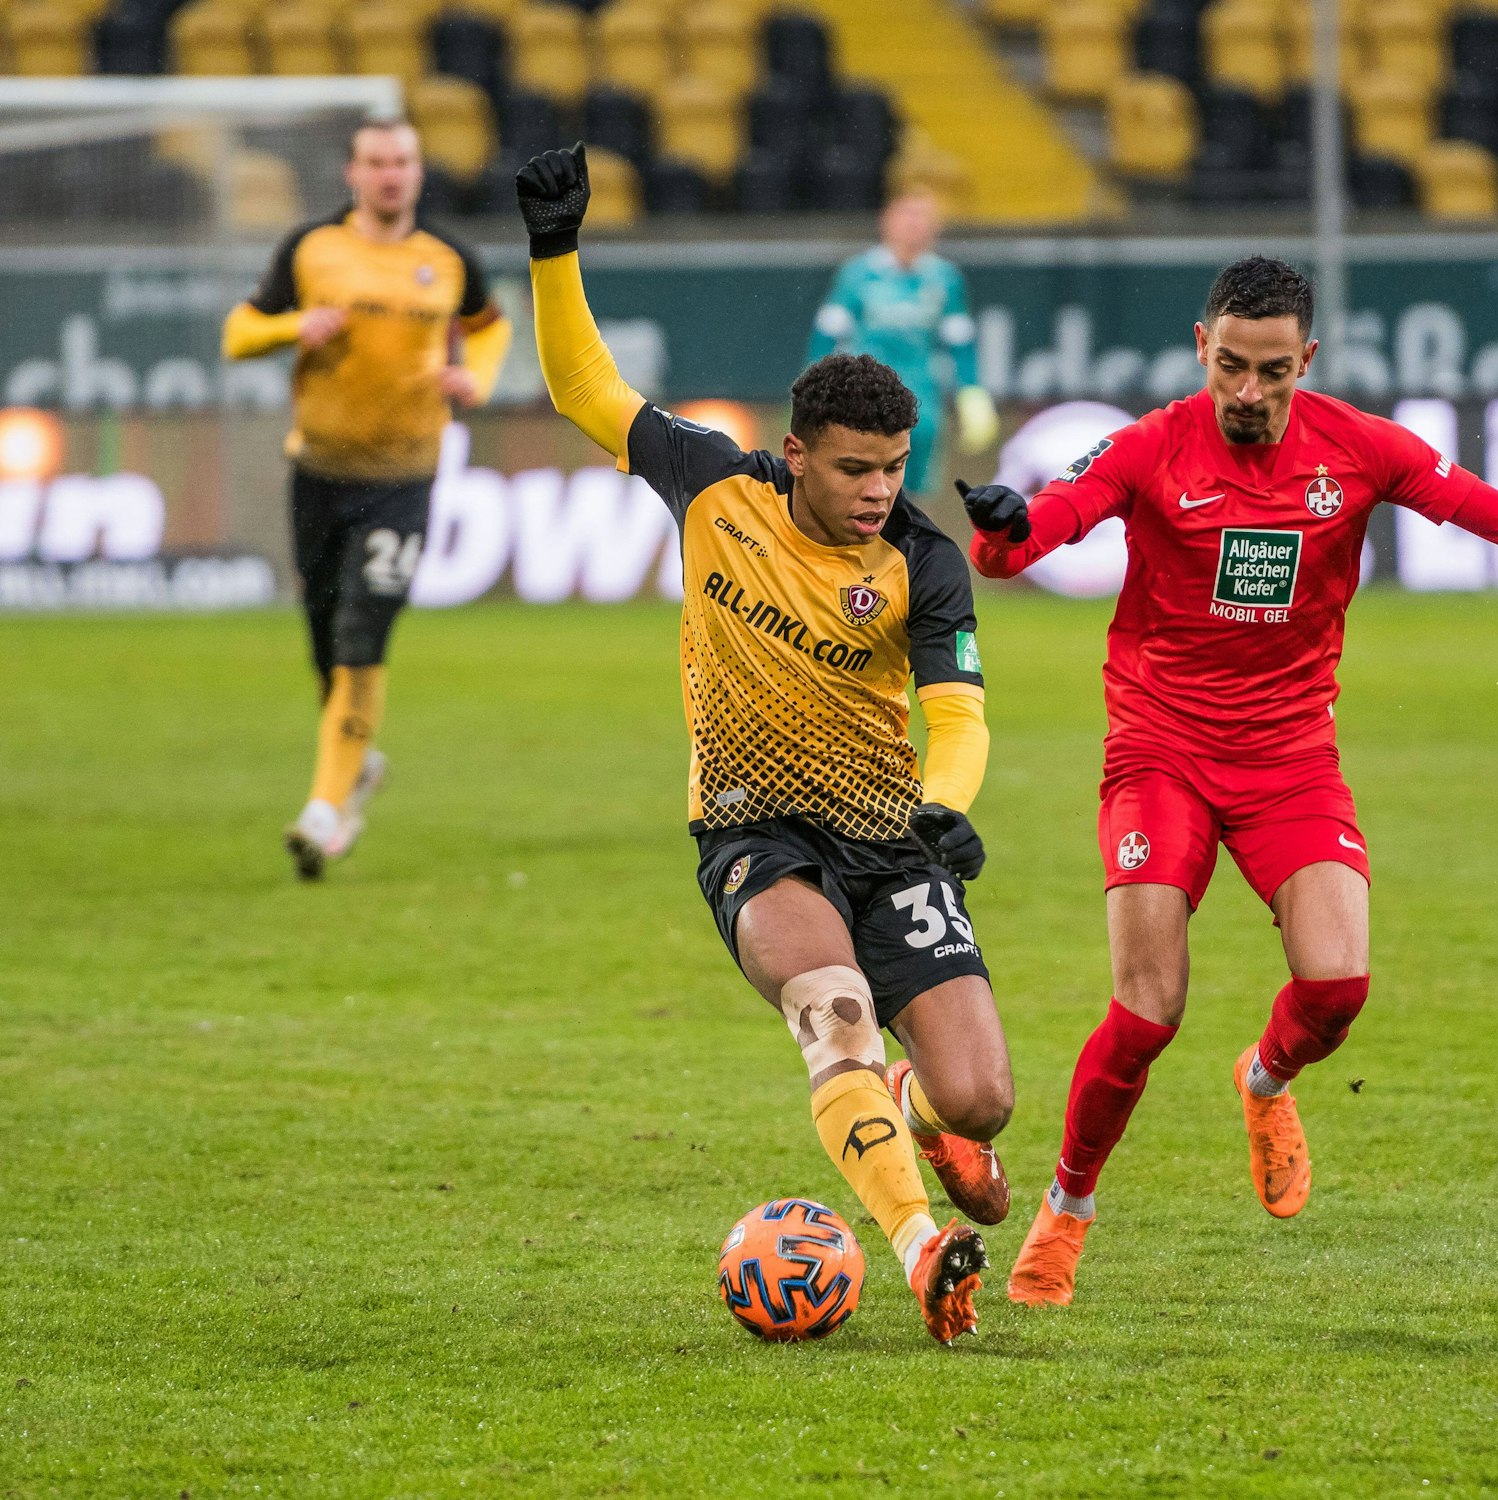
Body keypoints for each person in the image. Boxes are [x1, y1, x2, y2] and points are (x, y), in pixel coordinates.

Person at [957, 256, 1498, 1308]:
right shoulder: (1147, 447)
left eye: (1272, 371)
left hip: (1287, 757)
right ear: (1200, 350)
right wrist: (1004, 533)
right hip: (1159, 750)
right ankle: (1067, 1209)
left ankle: (1263, 1081)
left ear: (1304, 359)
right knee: (1146, 1011)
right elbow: (1040, 530)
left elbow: (1496, 515)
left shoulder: (1359, 450)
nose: (1249, 393)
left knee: (1336, 989)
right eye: (1230, 366)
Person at [516, 144, 1014, 1345]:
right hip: (752, 832)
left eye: (892, 471)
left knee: (982, 1102)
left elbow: (957, 712)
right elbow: (587, 389)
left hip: (892, 842)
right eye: (853, 470)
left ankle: (911, 1104)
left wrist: (943, 806)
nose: (875, 492)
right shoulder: (712, 488)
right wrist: (553, 249)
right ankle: (915, 1247)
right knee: (831, 1008)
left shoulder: (921, 559)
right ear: (795, 453)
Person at [222, 118, 511, 880]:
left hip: (405, 479)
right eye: (378, 162)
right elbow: (238, 331)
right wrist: (292, 326)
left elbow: (489, 328)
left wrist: (472, 379)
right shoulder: (312, 249)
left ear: (418, 173)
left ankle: (323, 807)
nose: (391, 174)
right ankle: (355, 770)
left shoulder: (447, 261)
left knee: (362, 633)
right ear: (352, 173)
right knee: (325, 642)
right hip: (318, 473)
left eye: (404, 162)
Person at [806, 186, 999, 500]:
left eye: (923, 217)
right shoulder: (858, 274)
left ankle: (909, 547)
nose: (914, 225)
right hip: (863, 396)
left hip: (922, 398)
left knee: (914, 489)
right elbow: (827, 334)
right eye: (907, 216)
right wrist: (811, 390)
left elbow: (959, 340)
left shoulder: (944, 278)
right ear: (887, 221)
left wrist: (971, 392)